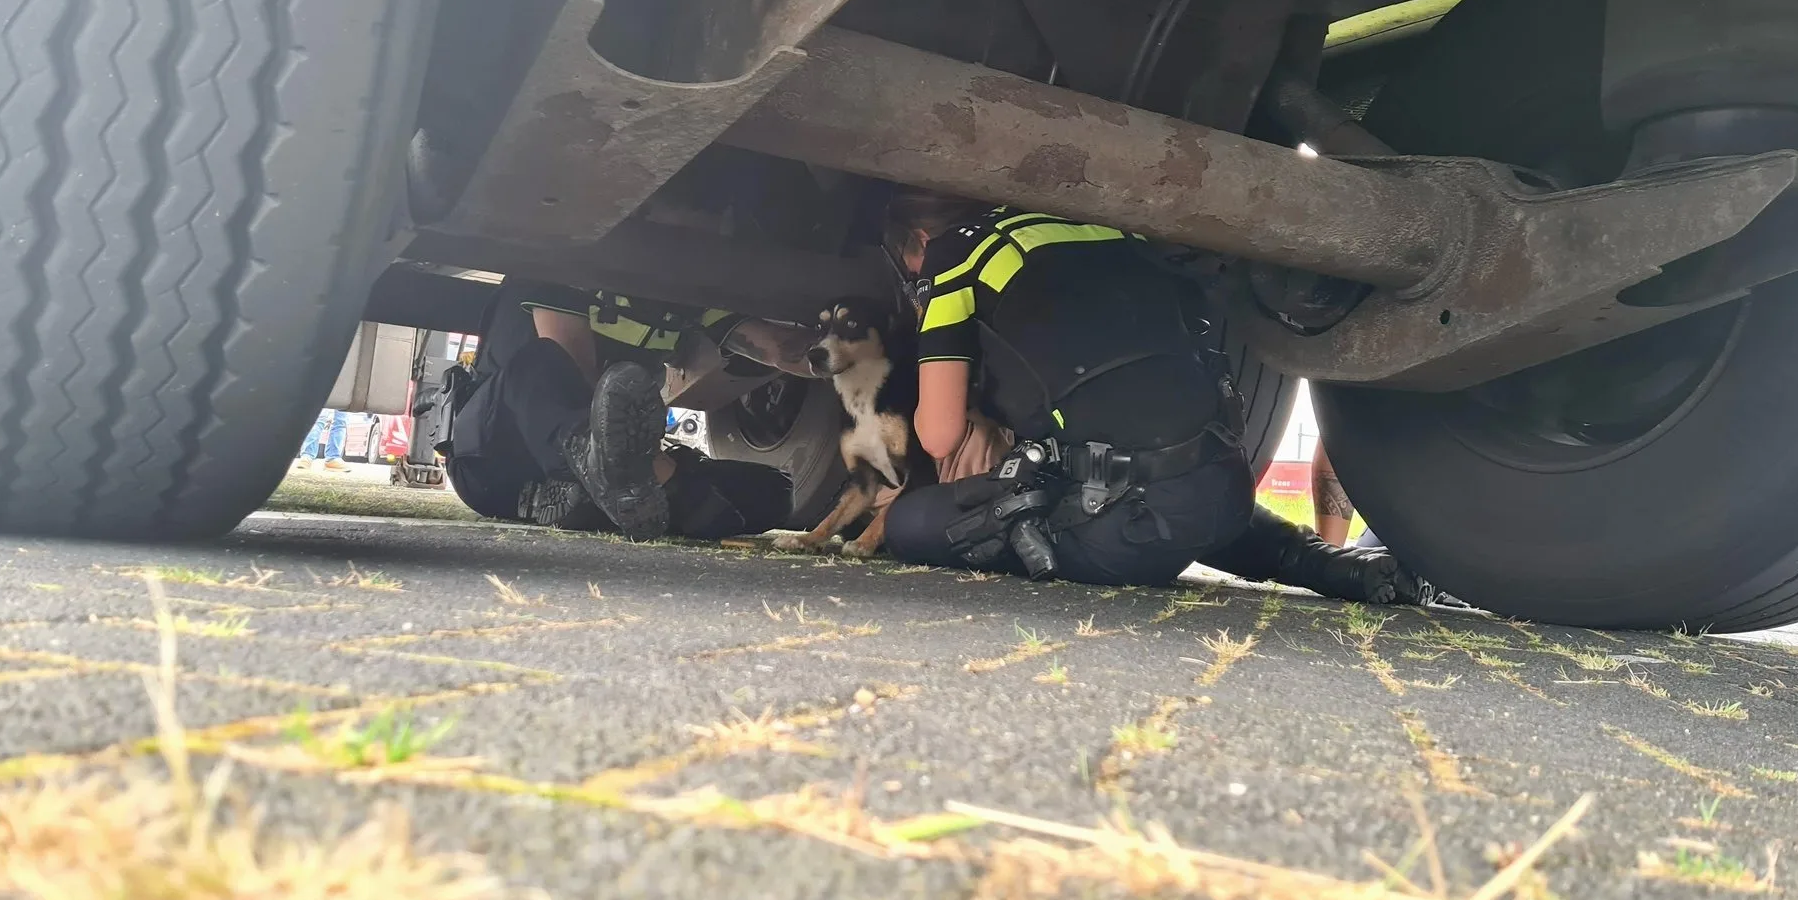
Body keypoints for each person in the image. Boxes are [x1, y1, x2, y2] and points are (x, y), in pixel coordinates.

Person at [879, 191, 1437, 605]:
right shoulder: (1103, 225)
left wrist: (971, 411)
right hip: (1222, 492)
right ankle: (1326, 563)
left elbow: (940, 436)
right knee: (1169, 493)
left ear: (918, 240)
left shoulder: (954, 254)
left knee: (909, 523)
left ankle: (1112, 541)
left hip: (1120, 538)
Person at [441, 278, 803, 542]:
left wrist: (832, 350)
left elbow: (781, 348)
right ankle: (659, 489)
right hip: (497, 460)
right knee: (542, 360)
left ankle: (619, 499)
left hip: (617, 483)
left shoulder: (686, 284)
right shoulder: (557, 258)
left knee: (774, 492)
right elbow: (578, 383)